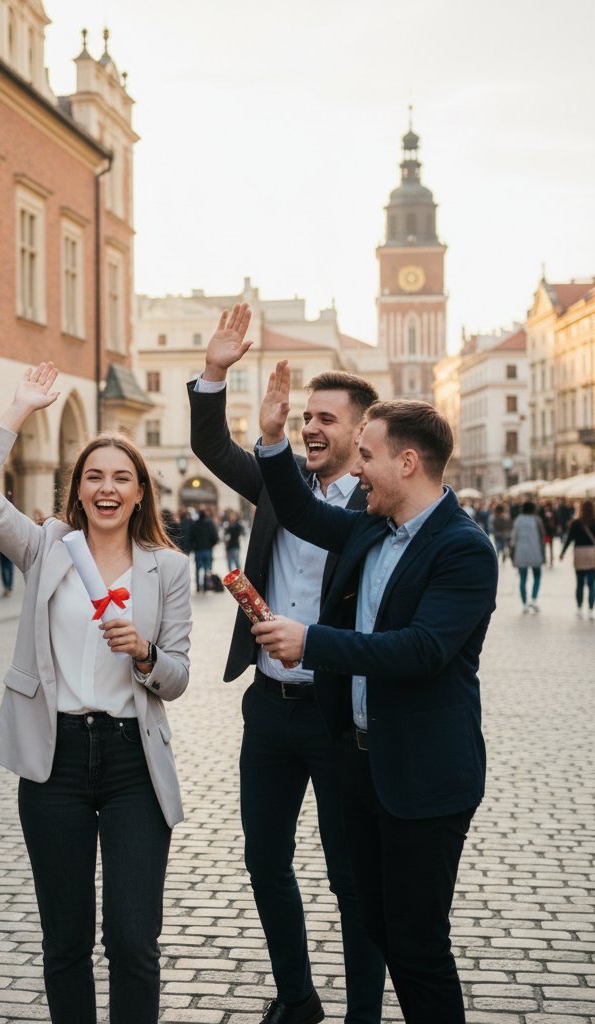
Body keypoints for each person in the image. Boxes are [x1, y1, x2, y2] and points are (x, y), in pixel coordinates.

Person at [250, 359, 497, 1023]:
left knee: (418, 948)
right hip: (361, 766)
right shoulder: (369, 526)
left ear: (408, 462)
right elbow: (298, 510)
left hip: (423, 777)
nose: (356, 470)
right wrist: (273, 439)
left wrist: (313, 643)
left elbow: (422, 651)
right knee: (382, 928)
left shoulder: (464, 549)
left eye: (367, 456)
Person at [0, 362, 192, 1024]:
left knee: (132, 942)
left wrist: (144, 652)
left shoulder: (167, 568)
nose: (107, 487)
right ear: (78, 490)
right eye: (94, 477)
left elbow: (177, 675)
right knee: (65, 943)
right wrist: (17, 410)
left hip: (131, 765)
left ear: (140, 492)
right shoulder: (47, 549)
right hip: (53, 758)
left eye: (121, 477)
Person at [188, 303, 384, 1024]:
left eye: (327, 418)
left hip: (338, 716)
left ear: (363, 431)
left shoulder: (377, 505)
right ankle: (297, 997)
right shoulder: (277, 481)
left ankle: (364, 1010)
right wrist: (216, 372)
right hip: (270, 707)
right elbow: (212, 448)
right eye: (307, 416)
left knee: (352, 879)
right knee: (265, 862)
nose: (311, 427)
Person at [560, 499, 595, 619]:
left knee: (579, 583)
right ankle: (591, 609)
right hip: (592, 553)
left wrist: (562, 552)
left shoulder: (576, 523)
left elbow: (569, 538)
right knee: (592, 584)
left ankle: (579, 608)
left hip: (579, 553)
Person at [511, 501, 545, 612]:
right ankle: (534, 599)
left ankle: (524, 603)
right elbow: (542, 536)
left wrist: (512, 553)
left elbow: (513, 538)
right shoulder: (537, 519)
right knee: (537, 576)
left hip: (521, 552)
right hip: (535, 551)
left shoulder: (518, 520)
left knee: (523, 578)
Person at [190, 506, 219, 592]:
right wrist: (211, 545)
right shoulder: (210, 523)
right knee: (208, 568)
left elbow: (191, 537)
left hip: (198, 550)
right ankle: (206, 586)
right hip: (207, 549)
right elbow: (214, 536)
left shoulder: (194, 524)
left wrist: (194, 546)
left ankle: (198, 587)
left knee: (198, 568)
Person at [222, 508, 246, 574]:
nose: (232, 517)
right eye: (231, 516)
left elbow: (242, 533)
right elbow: (224, 536)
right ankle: (231, 578)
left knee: (236, 562)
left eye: (233, 516)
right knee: (229, 563)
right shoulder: (227, 525)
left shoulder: (238, 525)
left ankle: (239, 576)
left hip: (235, 546)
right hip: (228, 547)